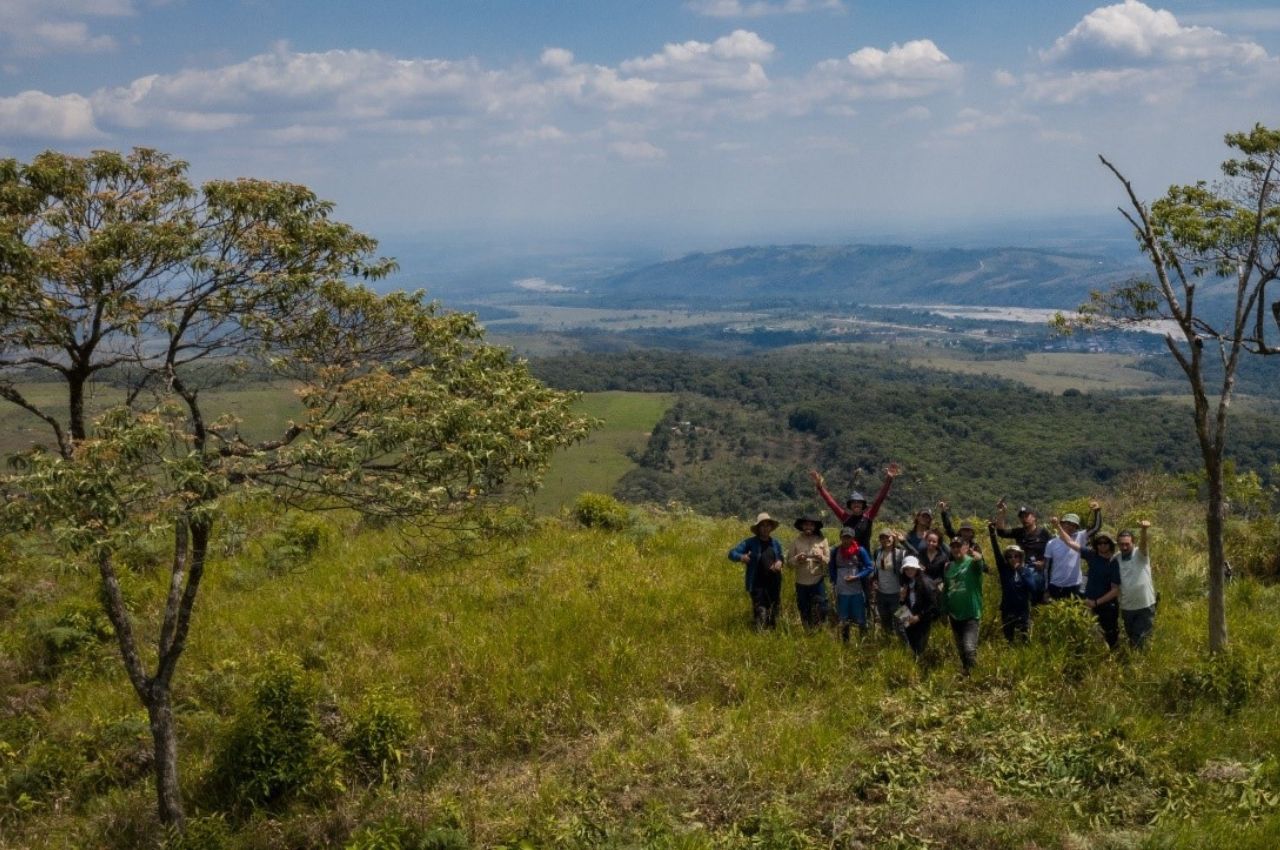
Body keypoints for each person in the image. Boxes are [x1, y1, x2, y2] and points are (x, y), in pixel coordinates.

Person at [1056, 528, 1122, 648]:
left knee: (1111, 636)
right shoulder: (1092, 555)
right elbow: (1070, 542)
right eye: (1099, 543)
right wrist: (1057, 526)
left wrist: (1096, 602)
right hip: (1089, 604)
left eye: (1105, 543)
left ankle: (1113, 662)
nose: (1102, 545)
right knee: (1090, 635)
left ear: (1110, 544)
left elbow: (1115, 590)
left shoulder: (1114, 562)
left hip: (1107, 607)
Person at [810, 463, 900, 549]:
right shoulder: (845, 517)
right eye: (854, 502)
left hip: (865, 559)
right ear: (850, 506)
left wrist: (889, 479)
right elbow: (831, 503)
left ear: (863, 505)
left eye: (859, 502)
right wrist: (820, 488)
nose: (856, 504)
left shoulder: (868, 516)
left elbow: (880, 499)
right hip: (849, 558)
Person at [987, 523, 1042, 643]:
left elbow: (1033, 588)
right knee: (1008, 641)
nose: (1013, 559)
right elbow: (996, 552)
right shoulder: (1004, 570)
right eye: (1010, 556)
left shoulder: (1026, 571)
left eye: (1016, 556)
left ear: (1020, 557)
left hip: (1023, 611)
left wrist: (1020, 570)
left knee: (1025, 641)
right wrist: (992, 534)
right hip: (1007, 610)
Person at [728, 513, 784, 630]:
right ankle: (760, 635)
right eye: (762, 525)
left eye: (767, 525)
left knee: (774, 610)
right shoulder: (750, 542)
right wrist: (741, 557)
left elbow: (780, 557)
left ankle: (772, 635)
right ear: (758, 528)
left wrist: (779, 562)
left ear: (771, 528)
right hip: (757, 583)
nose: (765, 528)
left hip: (774, 582)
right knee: (761, 610)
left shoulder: (776, 543)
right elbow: (732, 553)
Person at [942, 536, 986, 675]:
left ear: (966, 547)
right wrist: (944, 611)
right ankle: (967, 673)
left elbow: (980, 566)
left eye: (958, 546)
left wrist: (979, 558)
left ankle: (975, 677)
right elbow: (946, 590)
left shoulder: (972, 563)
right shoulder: (949, 566)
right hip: (954, 614)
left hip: (971, 613)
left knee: (969, 648)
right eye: (953, 546)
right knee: (961, 648)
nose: (955, 549)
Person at [829, 525, 874, 642]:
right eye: (844, 537)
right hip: (842, 591)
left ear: (853, 538)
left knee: (861, 619)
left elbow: (869, 567)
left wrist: (857, 576)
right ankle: (845, 643)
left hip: (857, 591)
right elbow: (831, 568)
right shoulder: (835, 551)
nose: (846, 540)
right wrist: (834, 582)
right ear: (840, 538)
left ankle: (864, 642)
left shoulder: (860, 551)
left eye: (849, 538)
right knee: (843, 619)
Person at [1116, 521, 1156, 649]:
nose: (1124, 547)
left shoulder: (1140, 554)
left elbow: (1144, 545)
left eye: (1127, 544)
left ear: (1133, 543)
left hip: (1144, 604)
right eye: (1121, 544)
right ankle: (1135, 660)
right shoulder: (1116, 558)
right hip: (1127, 606)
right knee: (1131, 636)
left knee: (1142, 638)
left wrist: (1144, 530)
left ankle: (1141, 663)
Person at [788, 515, 831, 628]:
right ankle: (808, 630)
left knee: (821, 607)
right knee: (803, 607)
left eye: (811, 524)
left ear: (815, 526)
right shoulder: (796, 541)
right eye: (806, 524)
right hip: (801, 582)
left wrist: (821, 557)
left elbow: (828, 560)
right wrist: (797, 558)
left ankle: (819, 630)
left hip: (818, 580)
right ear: (802, 526)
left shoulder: (823, 540)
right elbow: (789, 562)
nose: (808, 527)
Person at [897, 555, 936, 659]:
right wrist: (901, 599)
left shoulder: (926, 582)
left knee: (920, 647)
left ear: (917, 569)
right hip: (909, 617)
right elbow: (902, 604)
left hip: (922, 619)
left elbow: (932, 604)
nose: (909, 571)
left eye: (912, 568)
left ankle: (920, 668)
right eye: (907, 569)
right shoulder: (906, 582)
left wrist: (919, 616)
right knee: (911, 644)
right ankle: (913, 664)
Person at [869, 530, 908, 637]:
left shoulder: (901, 553)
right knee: (886, 624)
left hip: (898, 595)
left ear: (893, 538)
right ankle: (890, 647)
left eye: (888, 537)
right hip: (881, 594)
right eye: (882, 538)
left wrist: (904, 542)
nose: (885, 540)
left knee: (903, 623)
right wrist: (874, 581)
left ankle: (909, 649)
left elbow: (916, 554)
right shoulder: (877, 552)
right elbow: (876, 570)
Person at [1044, 513, 1089, 600]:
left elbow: (1096, 527)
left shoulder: (1080, 537)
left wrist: (1096, 511)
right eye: (1068, 523)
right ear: (1061, 524)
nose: (1070, 527)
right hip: (1056, 585)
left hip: (1075, 585)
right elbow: (1046, 568)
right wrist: (1046, 588)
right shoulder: (1051, 543)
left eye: (1074, 525)